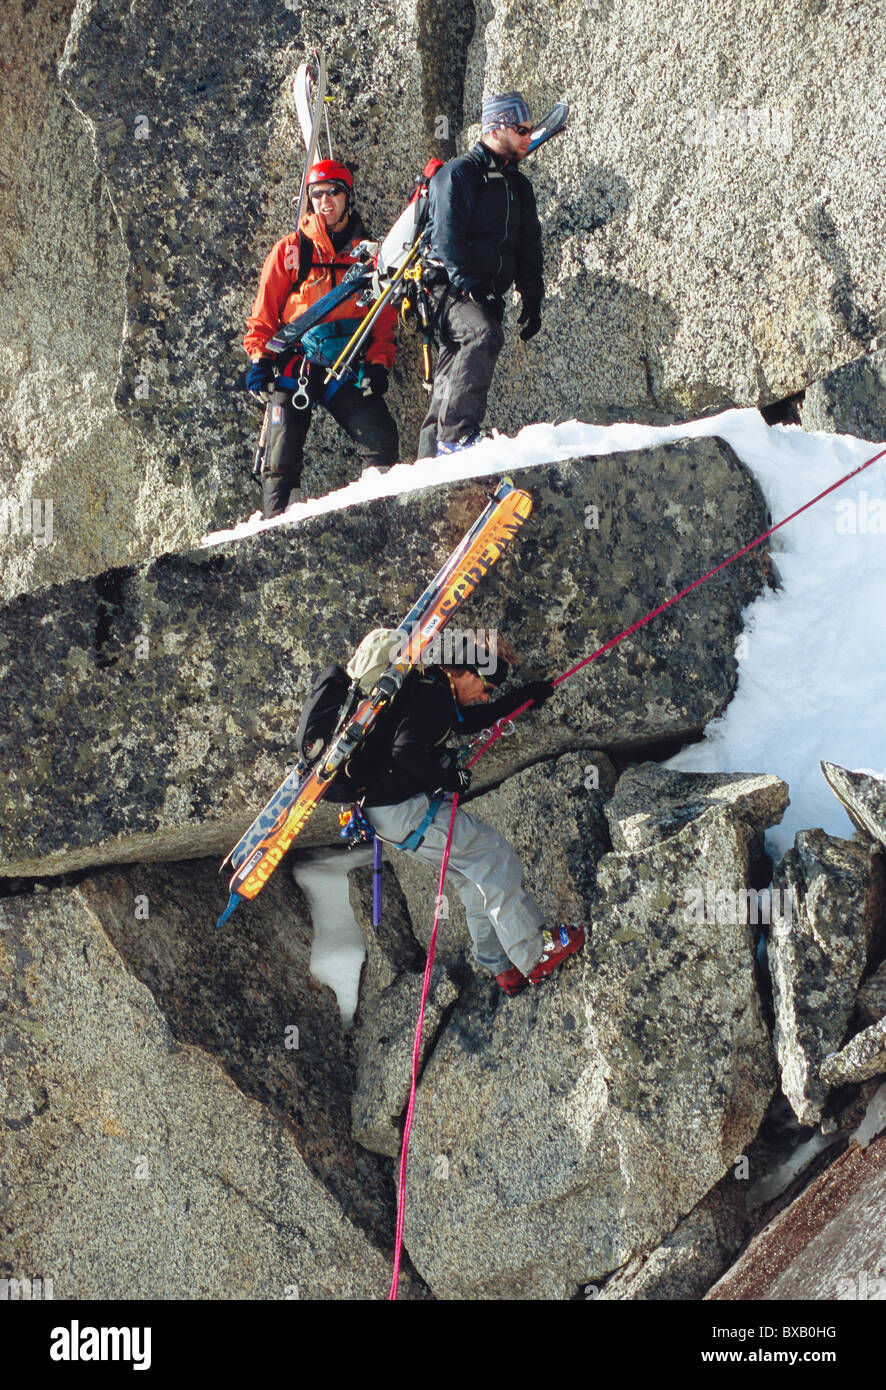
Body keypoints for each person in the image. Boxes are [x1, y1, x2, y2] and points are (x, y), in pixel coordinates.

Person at [347, 642, 585, 995]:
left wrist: (524, 699)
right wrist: (449, 780)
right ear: (466, 672)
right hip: (405, 811)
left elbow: (468, 721)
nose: (484, 697)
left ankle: (503, 967)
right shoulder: (434, 698)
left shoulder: (430, 691)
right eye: (486, 688)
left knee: (470, 874)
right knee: (491, 856)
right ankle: (534, 953)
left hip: (387, 817)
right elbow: (405, 750)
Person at [244, 160, 399, 518]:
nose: (325, 201)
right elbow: (264, 314)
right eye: (317, 194)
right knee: (279, 461)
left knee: (380, 439)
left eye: (333, 192)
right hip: (294, 366)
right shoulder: (291, 250)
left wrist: (378, 365)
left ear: (348, 196)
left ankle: (379, 519)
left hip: (345, 368)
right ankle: (278, 528)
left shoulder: (370, 258)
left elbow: (383, 321)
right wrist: (260, 360)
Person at [417, 92, 544, 460]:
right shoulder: (458, 175)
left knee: (450, 372)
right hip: (444, 289)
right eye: (521, 129)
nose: (529, 137)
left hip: (481, 295)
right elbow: (447, 239)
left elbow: (528, 246)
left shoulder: (518, 187)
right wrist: (472, 288)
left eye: (531, 130)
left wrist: (532, 296)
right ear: (495, 128)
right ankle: (456, 439)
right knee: (483, 335)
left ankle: (427, 467)